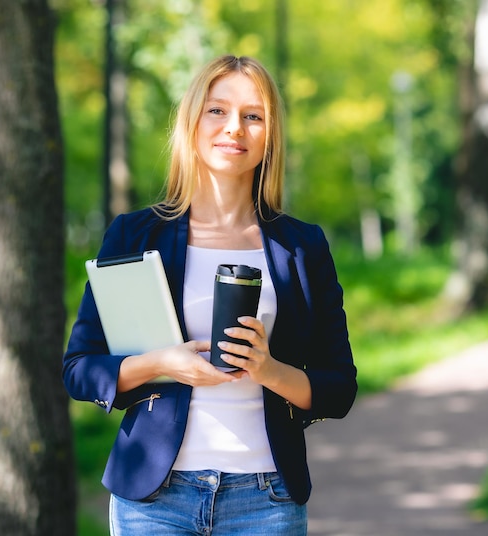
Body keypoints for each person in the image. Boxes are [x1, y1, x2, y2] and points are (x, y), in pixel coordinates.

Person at [63, 55, 357, 536]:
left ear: (270, 134)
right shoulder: (135, 235)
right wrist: (162, 363)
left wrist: (269, 370)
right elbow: (79, 369)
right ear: (192, 122)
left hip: (266, 499)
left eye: (253, 115)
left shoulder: (302, 247)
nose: (234, 128)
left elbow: (339, 387)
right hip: (153, 501)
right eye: (217, 111)